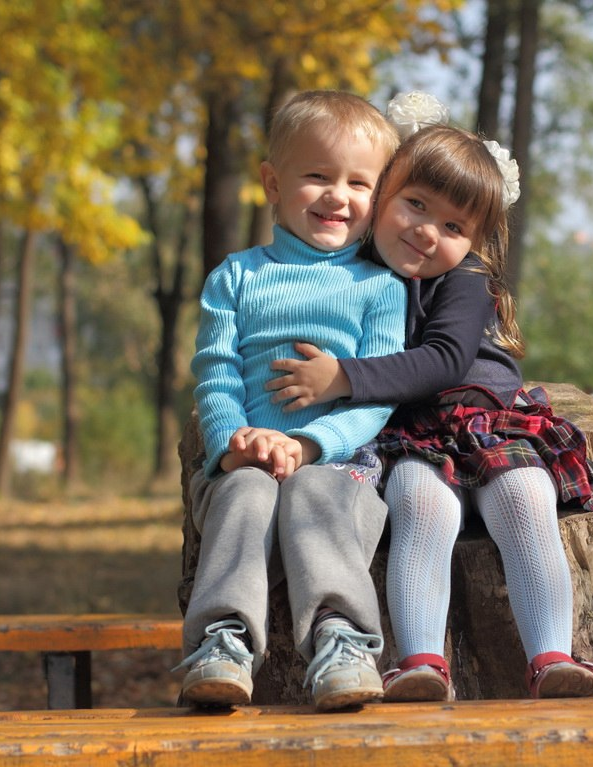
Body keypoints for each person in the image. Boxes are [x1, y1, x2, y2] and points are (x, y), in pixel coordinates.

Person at [267, 104, 593, 703]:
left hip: (487, 421)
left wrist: (342, 376)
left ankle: (551, 655)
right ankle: (421, 661)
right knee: (418, 509)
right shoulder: (355, 270)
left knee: (526, 501)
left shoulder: (466, 280)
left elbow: (446, 359)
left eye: (454, 227)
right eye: (416, 205)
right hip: (415, 435)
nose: (428, 232)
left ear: (477, 241)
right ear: (384, 192)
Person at [175, 90, 405, 712]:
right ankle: (222, 643)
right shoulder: (236, 276)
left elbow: (376, 395)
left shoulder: (379, 287)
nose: (338, 196)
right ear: (273, 184)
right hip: (243, 461)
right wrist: (233, 442)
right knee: (249, 493)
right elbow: (215, 373)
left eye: (360, 183)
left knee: (315, 492)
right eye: (317, 176)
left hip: (338, 461)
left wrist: (310, 445)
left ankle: (343, 640)